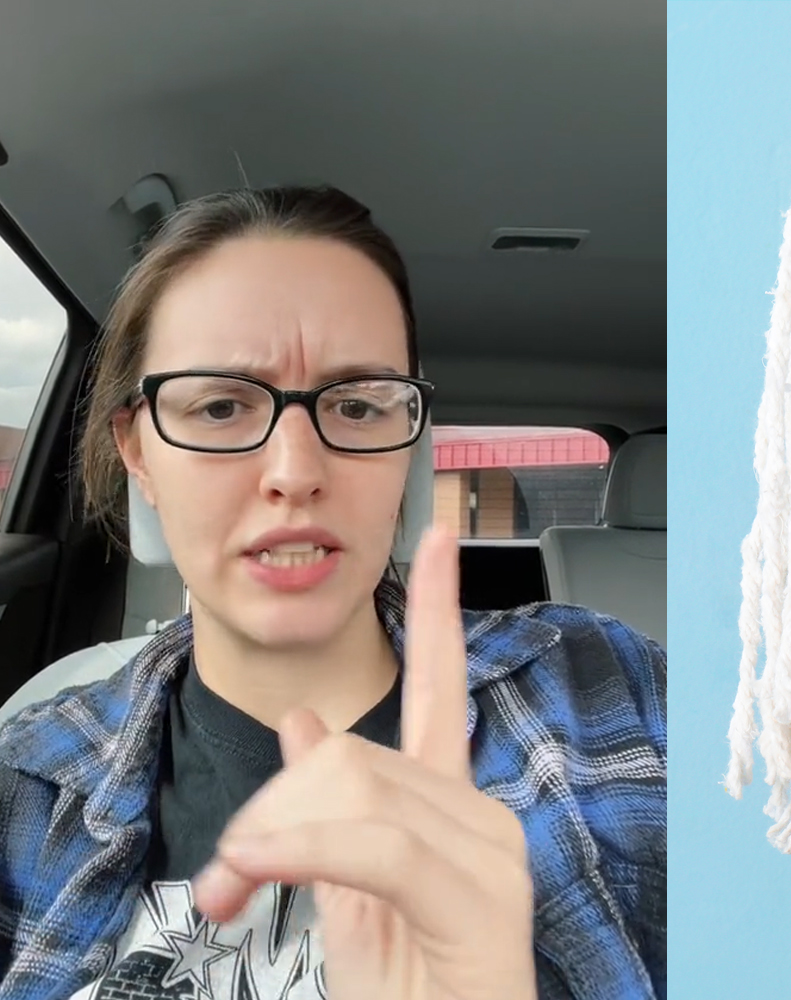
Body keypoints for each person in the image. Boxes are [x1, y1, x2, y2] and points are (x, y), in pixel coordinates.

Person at [0, 186, 664, 999]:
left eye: (355, 405)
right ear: (137, 450)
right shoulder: (26, 780)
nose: (295, 473)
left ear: (408, 442)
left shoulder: (615, 695)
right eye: (218, 405)